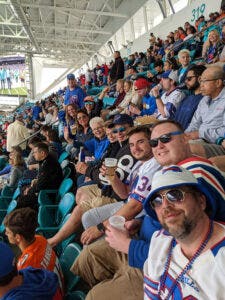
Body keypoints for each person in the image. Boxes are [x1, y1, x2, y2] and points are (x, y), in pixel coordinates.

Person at [47, 114, 135, 247]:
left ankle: (67, 237)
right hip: (107, 186)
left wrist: (88, 171)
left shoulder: (126, 149)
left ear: (132, 128)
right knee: (81, 192)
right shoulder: (116, 144)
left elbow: (112, 181)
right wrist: (69, 139)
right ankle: (77, 231)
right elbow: (99, 162)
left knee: (82, 207)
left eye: (123, 130)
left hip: (114, 193)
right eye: (114, 131)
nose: (117, 134)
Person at [143, 165, 225, 299]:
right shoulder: (160, 240)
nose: (165, 206)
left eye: (175, 195)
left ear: (201, 201)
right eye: (157, 201)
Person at [4, 207, 64, 296]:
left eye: (8, 232)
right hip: (58, 286)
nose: (5, 234)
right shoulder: (41, 239)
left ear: (18, 237)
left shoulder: (25, 264)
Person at [185, 65, 225, 144]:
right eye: (200, 81)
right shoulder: (204, 100)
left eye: (205, 81)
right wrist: (186, 135)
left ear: (218, 83)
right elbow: (194, 123)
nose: (201, 85)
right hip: (200, 139)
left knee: (187, 148)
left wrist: (201, 134)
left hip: (217, 144)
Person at [17, 142, 63, 209]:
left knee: (21, 201)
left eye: (35, 152)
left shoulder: (48, 164)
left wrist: (30, 189)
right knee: (23, 190)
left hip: (47, 194)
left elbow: (40, 186)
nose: (33, 155)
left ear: (42, 153)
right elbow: (42, 180)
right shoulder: (46, 161)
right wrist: (34, 183)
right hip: (45, 190)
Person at [173, 64, 206, 130]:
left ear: (200, 79)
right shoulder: (186, 98)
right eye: (185, 79)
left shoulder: (205, 100)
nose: (186, 81)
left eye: (189, 79)